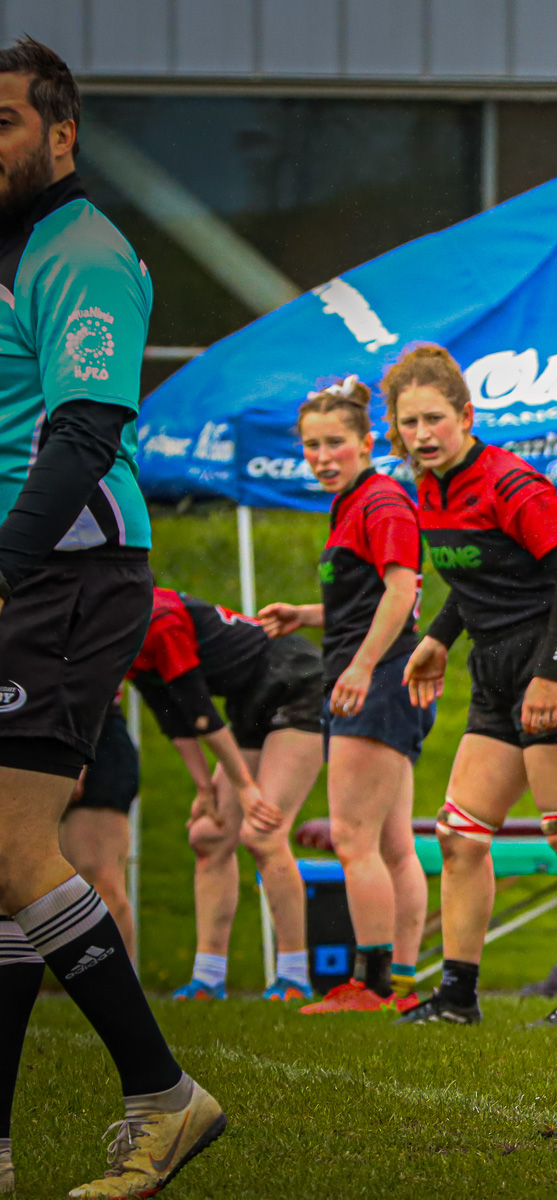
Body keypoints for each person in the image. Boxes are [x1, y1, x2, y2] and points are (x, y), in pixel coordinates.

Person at [0, 35, 223, 1197]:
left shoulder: (81, 249)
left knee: (9, 843)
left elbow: (84, 430)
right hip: (40, 573)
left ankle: (164, 1095)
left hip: (67, 572)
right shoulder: (23, 251)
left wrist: (5, 567)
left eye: (2, 122)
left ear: (61, 133)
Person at [390, 344, 557, 1030]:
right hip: (494, 676)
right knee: (459, 835)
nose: (422, 434)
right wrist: (437, 636)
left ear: (466, 415)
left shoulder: (510, 482)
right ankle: (457, 996)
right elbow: (477, 582)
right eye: (408, 423)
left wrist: (551, 672)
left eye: (434, 418)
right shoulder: (429, 488)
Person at [258, 377, 432, 1014]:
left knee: (355, 841)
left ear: (366, 443)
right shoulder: (354, 502)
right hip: (383, 676)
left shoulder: (381, 501)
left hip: (377, 683)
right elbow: (364, 601)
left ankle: (374, 985)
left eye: (335, 442)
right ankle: (404, 985)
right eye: (310, 446)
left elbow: (401, 592)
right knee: (391, 844)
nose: (322, 456)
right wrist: (307, 615)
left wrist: (358, 669)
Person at [128, 586, 325, 1002]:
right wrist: (204, 789)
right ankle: (208, 978)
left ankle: (294, 976)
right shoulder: (115, 636)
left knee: (263, 832)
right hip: (246, 696)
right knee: (209, 835)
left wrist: (247, 790)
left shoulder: (155, 619)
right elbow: (173, 716)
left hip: (294, 677)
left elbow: (200, 710)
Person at [59, 699, 141, 960]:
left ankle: (119, 993)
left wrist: (77, 757)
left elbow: (91, 678)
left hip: (91, 737)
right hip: (36, 737)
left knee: (98, 879)